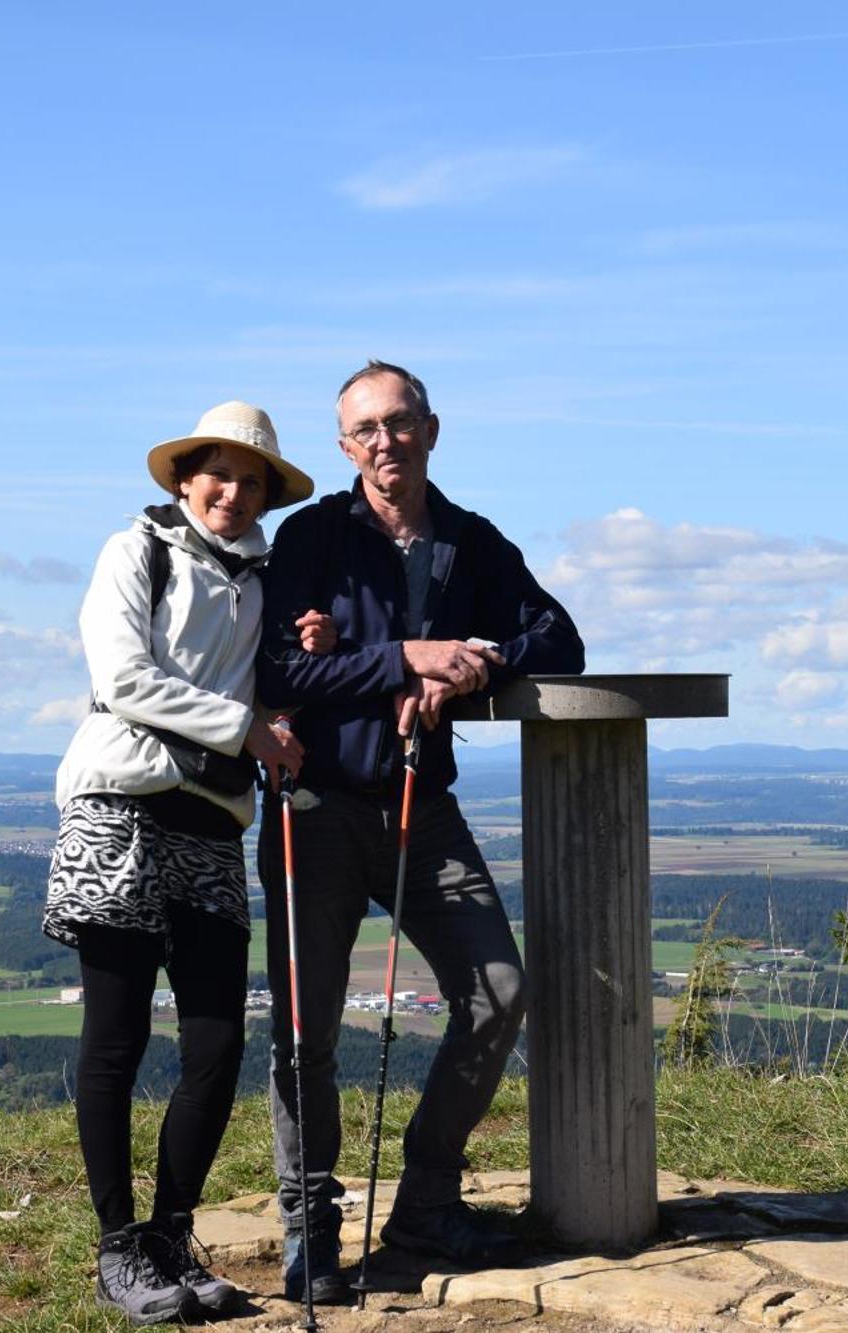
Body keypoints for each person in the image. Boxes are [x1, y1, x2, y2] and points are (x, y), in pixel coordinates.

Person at [256, 361, 585, 1301]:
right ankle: (310, 1231)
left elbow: (560, 639)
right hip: (313, 808)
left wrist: (476, 663)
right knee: (303, 1031)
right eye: (365, 430)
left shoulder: (470, 541)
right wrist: (401, 657)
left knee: (497, 991)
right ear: (343, 446)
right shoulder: (312, 536)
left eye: (399, 423)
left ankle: (426, 1198)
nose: (384, 442)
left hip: (417, 806)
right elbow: (279, 673)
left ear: (432, 430)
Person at [44, 400, 318, 1326]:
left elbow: (274, 681)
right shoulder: (136, 551)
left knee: (215, 1044)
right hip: (118, 803)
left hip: (208, 819)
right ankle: (120, 1247)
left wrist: (301, 651)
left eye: (251, 481)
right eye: (219, 474)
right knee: (115, 1040)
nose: (233, 492)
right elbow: (119, 676)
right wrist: (244, 725)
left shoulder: (267, 578)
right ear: (183, 477)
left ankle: (168, 1237)